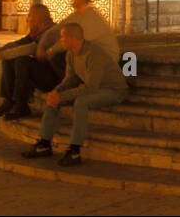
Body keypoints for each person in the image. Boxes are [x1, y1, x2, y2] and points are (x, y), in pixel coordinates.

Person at [20, 22, 128, 166]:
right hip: (94, 88)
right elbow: (70, 79)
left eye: (63, 38)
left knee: (81, 102)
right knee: (53, 100)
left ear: (72, 38)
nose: (60, 41)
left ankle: (75, 150)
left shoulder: (94, 54)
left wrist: (62, 96)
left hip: (113, 90)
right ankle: (44, 143)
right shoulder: (71, 53)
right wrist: (56, 92)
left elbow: (90, 88)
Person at [0, 4, 64, 120]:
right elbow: (19, 43)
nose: (27, 19)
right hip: (45, 72)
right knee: (9, 60)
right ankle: (8, 100)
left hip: (56, 78)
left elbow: (30, 48)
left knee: (22, 61)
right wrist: (1, 51)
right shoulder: (38, 31)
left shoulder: (51, 33)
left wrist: (2, 54)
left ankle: (21, 104)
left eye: (30, 15)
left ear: (39, 19)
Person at [34, 0, 119, 65]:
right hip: (87, 58)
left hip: (105, 62)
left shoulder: (92, 17)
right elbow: (56, 30)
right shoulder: (76, 15)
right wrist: (42, 45)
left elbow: (74, 40)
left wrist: (51, 51)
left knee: (64, 55)